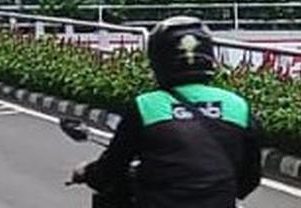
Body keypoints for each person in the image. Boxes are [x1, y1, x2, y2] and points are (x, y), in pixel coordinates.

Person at [72, 16, 261, 208]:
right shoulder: (238, 106)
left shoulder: (146, 106)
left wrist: (88, 172)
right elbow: (249, 179)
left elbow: (111, 169)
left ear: (157, 59)